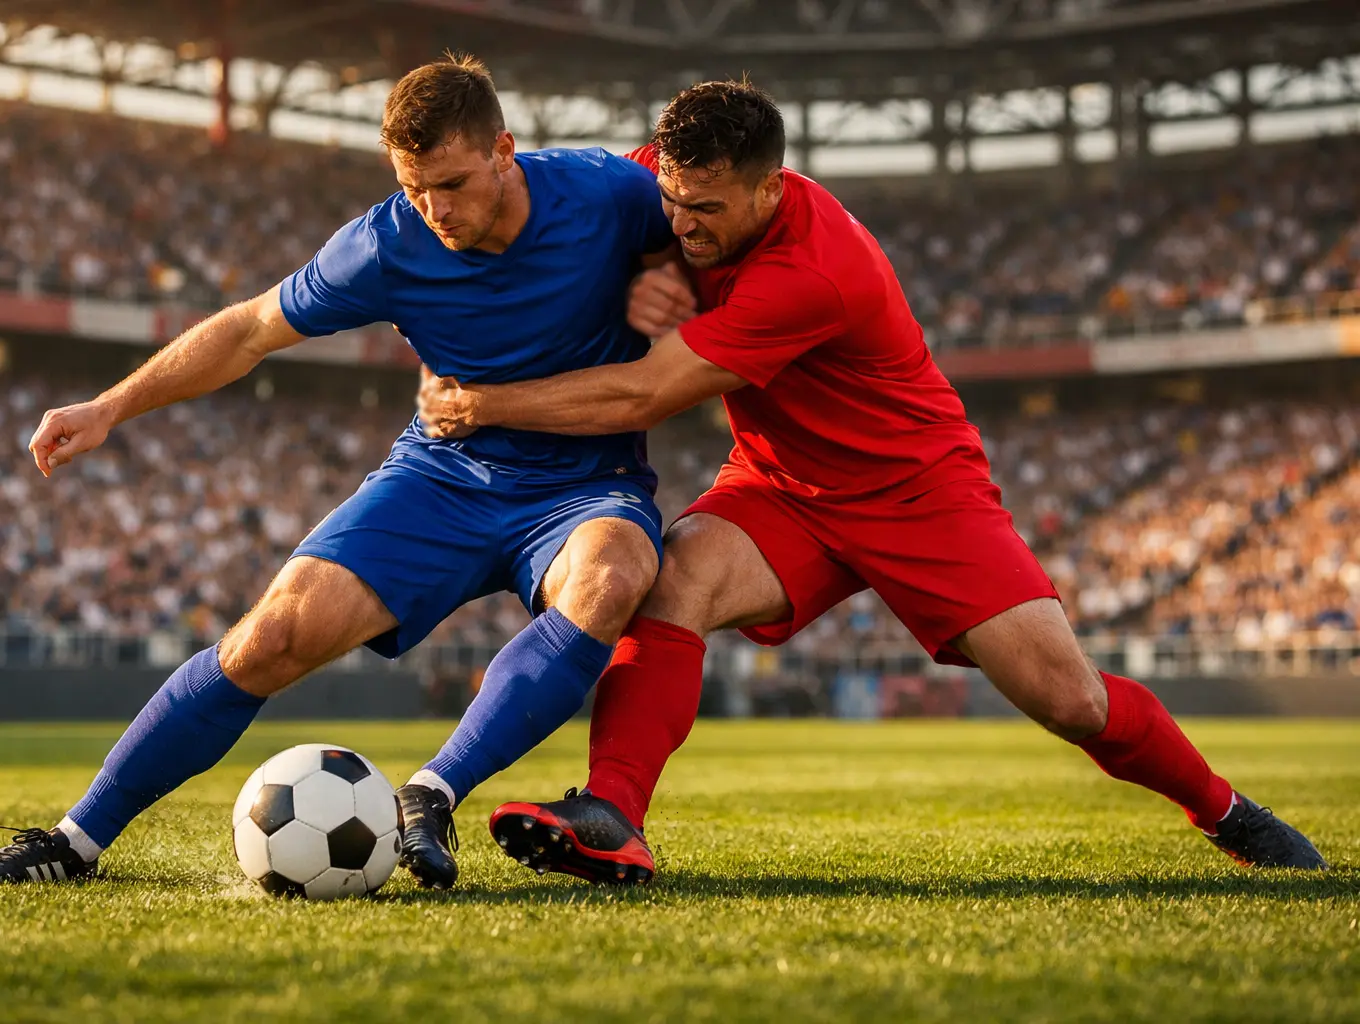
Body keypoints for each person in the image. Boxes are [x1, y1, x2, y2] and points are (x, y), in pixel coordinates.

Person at [416, 79, 1328, 882]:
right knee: (673, 579)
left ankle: (1226, 810)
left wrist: (488, 402)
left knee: (1071, 700)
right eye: (674, 198)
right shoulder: (671, 184)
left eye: (710, 208)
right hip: (782, 485)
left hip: (917, 490)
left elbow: (650, 390)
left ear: (772, 187)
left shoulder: (812, 272)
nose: (684, 223)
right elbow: (571, 199)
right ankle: (612, 815)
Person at [0, 55, 674, 891]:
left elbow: (720, 235)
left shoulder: (606, 193)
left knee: (614, 574)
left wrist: (680, 302)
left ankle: (432, 793)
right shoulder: (387, 242)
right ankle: (74, 842)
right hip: (442, 472)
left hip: (586, 483)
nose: (436, 209)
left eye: (452, 182)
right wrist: (111, 407)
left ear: (505, 149)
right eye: (415, 187)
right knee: (270, 638)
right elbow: (250, 329)